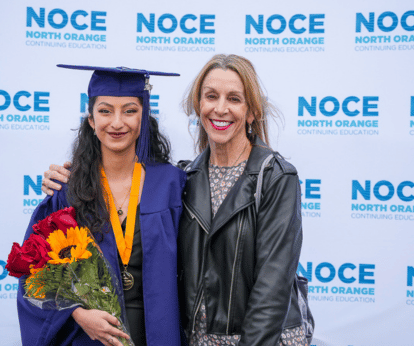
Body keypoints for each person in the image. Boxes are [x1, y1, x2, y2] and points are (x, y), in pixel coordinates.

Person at [43, 55, 308, 346]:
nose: (220, 108)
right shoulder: (185, 178)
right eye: (211, 96)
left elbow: (272, 289)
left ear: (251, 112)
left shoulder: (274, 178)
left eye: (234, 98)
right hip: (196, 339)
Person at [18, 65, 186, 346]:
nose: (117, 122)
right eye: (105, 111)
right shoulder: (69, 192)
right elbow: (35, 274)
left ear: (144, 118)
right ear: (92, 121)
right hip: (90, 338)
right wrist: (78, 313)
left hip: (159, 333)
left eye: (130, 111)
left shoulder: (173, 184)